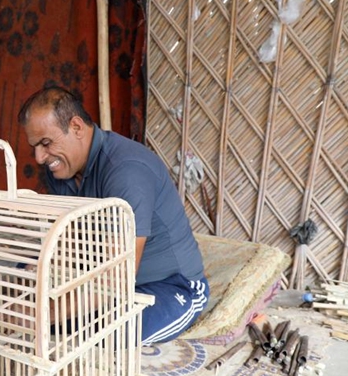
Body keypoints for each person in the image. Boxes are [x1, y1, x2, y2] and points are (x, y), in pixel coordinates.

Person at [18, 86, 209, 344]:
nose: (39, 157)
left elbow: (116, 279)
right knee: (23, 273)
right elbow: (66, 242)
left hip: (168, 285)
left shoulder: (126, 171)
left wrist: (44, 312)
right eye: (35, 147)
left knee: (113, 333)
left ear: (76, 127)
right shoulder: (61, 171)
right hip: (99, 272)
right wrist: (32, 280)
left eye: (45, 144)